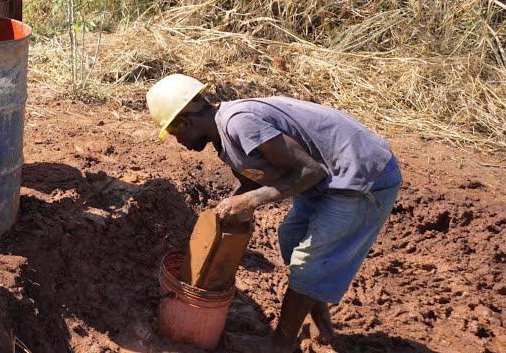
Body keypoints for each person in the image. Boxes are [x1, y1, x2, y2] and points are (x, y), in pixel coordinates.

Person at [147, 74, 402, 352]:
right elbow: (252, 178)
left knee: (307, 262)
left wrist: (252, 201)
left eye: (175, 134)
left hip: (361, 175)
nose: (179, 142)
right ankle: (323, 327)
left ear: (185, 122)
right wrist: (224, 213)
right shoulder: (223, 138)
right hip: (327, 180)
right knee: (291, 237)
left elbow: (310, 171)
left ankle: (279, 344)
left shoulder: (239, 122)